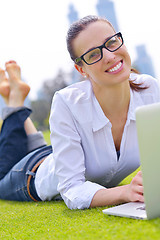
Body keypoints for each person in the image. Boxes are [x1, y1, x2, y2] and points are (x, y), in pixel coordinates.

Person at [0, 15, 160, 209]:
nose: (110, 56)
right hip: (33, 173)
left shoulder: (150, 90)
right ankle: (15, 100)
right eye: (93, 54)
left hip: (61, 156)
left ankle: (15, 99)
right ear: (81, 69)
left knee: (46, 152)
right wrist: (125, 192)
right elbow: (72, 190)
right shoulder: (67, 101)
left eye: (111, 42)